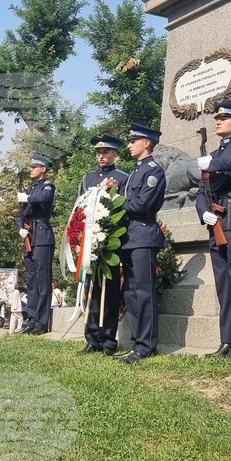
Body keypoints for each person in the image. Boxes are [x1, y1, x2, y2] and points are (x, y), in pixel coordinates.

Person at [195, 100, 231, 359]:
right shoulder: (214, 155)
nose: (218, 121)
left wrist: (214, 165)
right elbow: (201, 191)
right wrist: (203, 212)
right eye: (217, 118)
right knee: (223, 285)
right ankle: (226, 340)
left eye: (224, 118)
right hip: (216, 222)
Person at [117, 123, 168, 364]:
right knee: (131, 292)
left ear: (146, 143)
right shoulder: (135, 172)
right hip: (130, 238)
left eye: (133, 140)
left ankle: (146, 346)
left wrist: (115, 204)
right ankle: (136, 343)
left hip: (144, 237)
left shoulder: (153, 171)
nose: (128, 145)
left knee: (144, 292)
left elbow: (142, 205)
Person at [77, 133, 130, 356]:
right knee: (90, 289)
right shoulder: (87, 179)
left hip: (110, 242)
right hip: (91, 243)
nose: (101, 156)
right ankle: (91, 338)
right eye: (98, 152)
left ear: (115, 154)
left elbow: (125, 209)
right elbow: (78, 209)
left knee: (109, 293)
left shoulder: (122, 177)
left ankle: (108, 339)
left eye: (106, 152)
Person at [17, 154, 56, 335]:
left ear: (43, 169)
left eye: (34, 167)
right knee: (31, 281)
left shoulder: (47, 186)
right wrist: (20, 228)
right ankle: (31, 320)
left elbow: (42, 199)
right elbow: (20, 214)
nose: (31, 169)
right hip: (30, 237)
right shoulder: (29, 189)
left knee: (42, 280)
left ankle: (41, 322)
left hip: (42, 236)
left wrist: (27, 198)